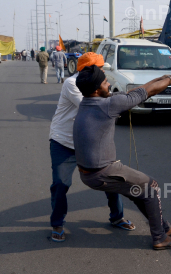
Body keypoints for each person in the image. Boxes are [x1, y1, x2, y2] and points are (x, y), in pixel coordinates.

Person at [74, 64, 171, 250]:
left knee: (139, 192)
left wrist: (163, 77)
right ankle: (159, 237)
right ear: (96, 89)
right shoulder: (108, 105)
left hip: (90, 173)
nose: (109, 83)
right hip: (102, 172)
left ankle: (164, 228)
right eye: (105, 82)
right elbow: (144, 93)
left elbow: (139, 91)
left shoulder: (88, 102)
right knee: (151, 186)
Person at [49, 52, 132, 242]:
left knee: (111, 177)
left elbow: (107, 98)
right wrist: (121, 101)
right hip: (64, 141)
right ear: (88, 69)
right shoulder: (73, 84)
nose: (103, 71)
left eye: (103, 68)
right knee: (61, 183)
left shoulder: (100, 81)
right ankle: (57, 222)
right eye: (100, 68)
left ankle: (117, 217)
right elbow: (94, 104)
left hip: (89, 141)